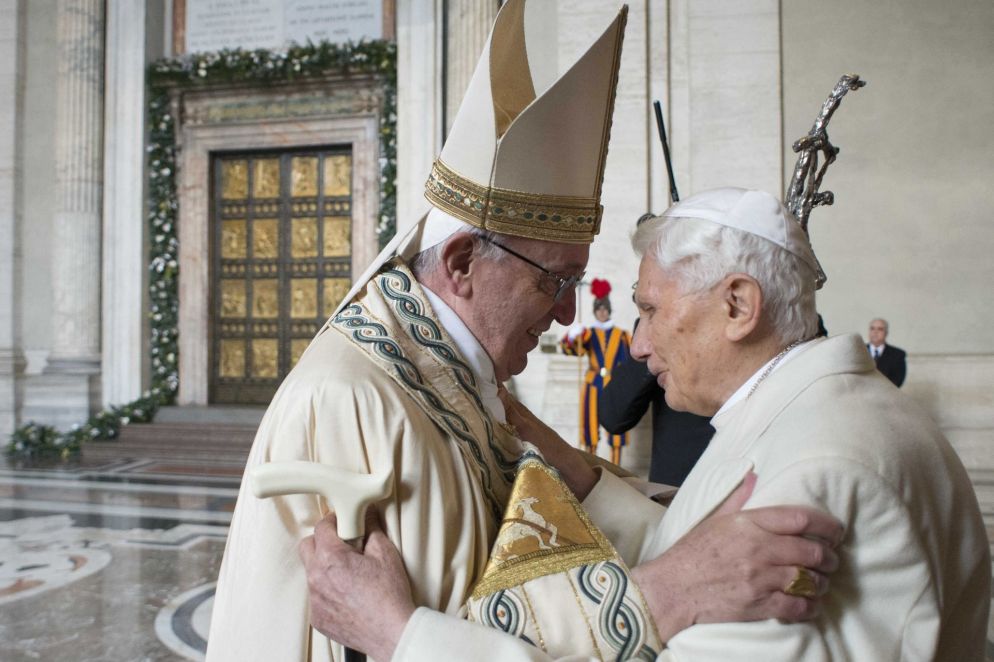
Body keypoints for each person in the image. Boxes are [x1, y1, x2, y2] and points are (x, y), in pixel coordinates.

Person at [298, 187, 990, 661]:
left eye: (651, 310)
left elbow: (699, 586)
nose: (637, 343)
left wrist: (401, 637)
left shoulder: (816, 472)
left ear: (738, 306)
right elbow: (700, 544)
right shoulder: (837, 410)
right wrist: (573, 469)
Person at [560, 278, 632, 463]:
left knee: (616, 428)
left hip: (614, 385)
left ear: (609, 310)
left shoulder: (622, 336)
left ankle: (617, 467)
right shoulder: (588, 333)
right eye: (599, 309)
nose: (602, 312)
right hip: (592, 385)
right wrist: (573, 336)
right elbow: (572, 350)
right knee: (589, 427)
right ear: (595, 311)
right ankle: (591, 465)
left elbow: (628, 360)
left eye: (604, 308)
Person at [867, 317, 906, 386]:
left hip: (886, 394)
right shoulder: (858, 351)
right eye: (872, 328)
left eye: (880, 329)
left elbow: (897, 380)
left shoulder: (897, 354)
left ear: (886, 333)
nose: (875, 332)